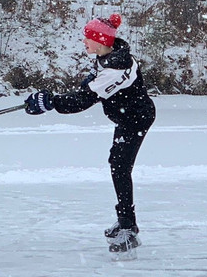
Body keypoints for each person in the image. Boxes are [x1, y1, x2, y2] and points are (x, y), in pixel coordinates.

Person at [24, 13, 156, 253]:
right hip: (128, 116)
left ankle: (128, 227)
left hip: (135, 120)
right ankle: (126, 221)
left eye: (88, 38)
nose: (84, 42)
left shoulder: (115, 68)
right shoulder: (112, 55)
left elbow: (83, 101)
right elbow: (91, 84)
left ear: (101, 41)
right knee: (117, 164)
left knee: (120, 166)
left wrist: (50, 102)